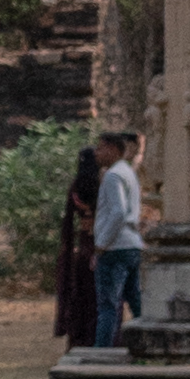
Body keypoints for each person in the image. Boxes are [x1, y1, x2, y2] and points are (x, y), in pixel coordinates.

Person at [90, 124, 146, 345]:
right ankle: (148, 344)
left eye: (100, 148)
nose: (96, 153)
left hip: (115, 246)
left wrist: (101, 244)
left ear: (113, 149)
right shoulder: (128, 172)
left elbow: (118, 212)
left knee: (108, 305)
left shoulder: (113, 176)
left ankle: (101, 350)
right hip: (131, 244)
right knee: (135, 301)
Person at [53, 146, 102, 352]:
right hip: (98, 243)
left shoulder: (76, 188)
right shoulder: (102, 185)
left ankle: (77, 338)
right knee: (96, 298)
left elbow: (68, 222)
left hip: (81, 246)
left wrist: (67, 248)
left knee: (78, 296)